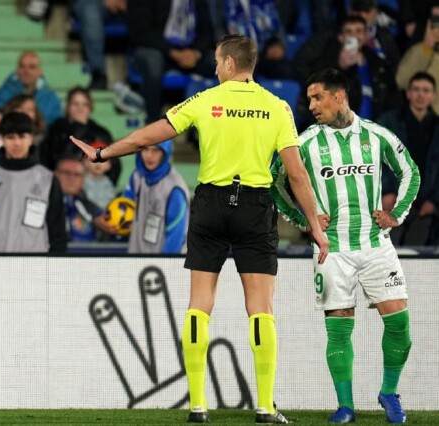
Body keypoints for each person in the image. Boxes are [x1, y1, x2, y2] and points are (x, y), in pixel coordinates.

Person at [70, 34, 329, 424]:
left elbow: (150, 135)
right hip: (255, 207)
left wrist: (103, 151)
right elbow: (297, 173)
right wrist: (315, 226)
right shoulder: (277, 107)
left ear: (228, 64)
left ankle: (197, 405)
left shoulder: (206, 99)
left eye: (216, 61)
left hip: (210, 203)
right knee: (260, 308)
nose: (213, 68)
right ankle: (264, 406)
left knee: (199, 303)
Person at [270, 68, 419, 424]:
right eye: (308, 99)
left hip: (375, 245)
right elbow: (273, 182)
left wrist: (396, 213)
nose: (311, 106)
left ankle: (388, 392)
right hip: (331, 249)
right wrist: (303, 220)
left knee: (400, 326)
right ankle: (346, 405)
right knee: (339, 326)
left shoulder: (376, 134)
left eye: (317, 97)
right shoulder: (305, 142)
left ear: (340, 97)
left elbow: (410, 171)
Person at [0, 111, 68, 253]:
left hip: (35, 265)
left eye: (22, 136)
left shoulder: (47, 179)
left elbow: (58, 232)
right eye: (10, 137)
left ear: (31, 138)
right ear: (2, 139)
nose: (17, 143)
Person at [379, 71, 439, 246]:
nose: (420, 94)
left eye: (426, 90)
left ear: (433, 95)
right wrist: (386, 192)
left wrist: (434, 202)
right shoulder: (388, 122)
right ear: (408, 94)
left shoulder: (436, 126)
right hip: (393, 202)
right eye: (416, 89)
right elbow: (376, 160)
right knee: (389, 252)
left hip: (425, 206)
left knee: (419, 253)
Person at [121, 140, 190, 254]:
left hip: (165, 263)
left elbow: (176, 237)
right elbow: (125, 211)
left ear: (165, 152)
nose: (149, 155)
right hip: (135, 259)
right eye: (145, 149)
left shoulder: (175, 189)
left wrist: (164, 264)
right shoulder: (136, 177)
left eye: (155, 150)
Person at [0, 51, 62, 125]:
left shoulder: (51, 98)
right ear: (17, 70)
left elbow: (56, 125)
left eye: (32, 67)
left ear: (40, 72)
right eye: (22, 66)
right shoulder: (2, 95)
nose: (26, 71)